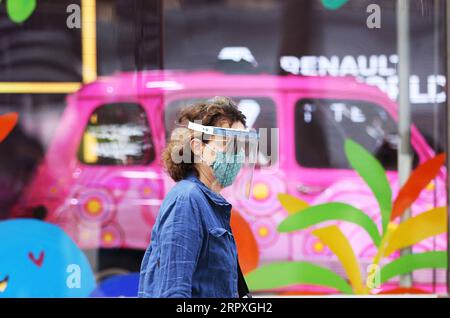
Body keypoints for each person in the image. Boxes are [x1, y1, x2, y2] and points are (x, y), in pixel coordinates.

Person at [138, 96, 256, 298]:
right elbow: (174, 291)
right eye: (227, 142)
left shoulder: (209, 203)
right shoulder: (187, 201)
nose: (235, 153)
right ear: (198, 147)